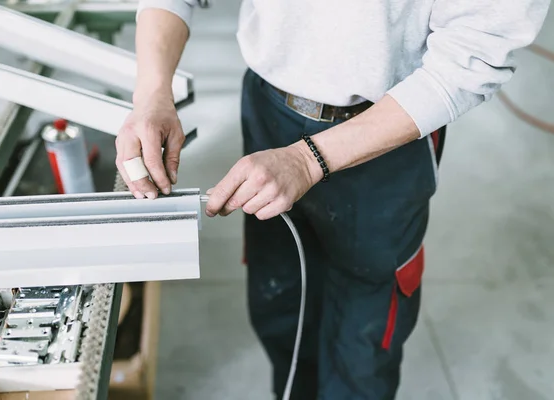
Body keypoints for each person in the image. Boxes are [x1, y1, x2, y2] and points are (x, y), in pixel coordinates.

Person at [116, 1, 550, 398]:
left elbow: (472, 55)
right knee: (281, 294)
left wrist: (307, 163)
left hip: (388, 126)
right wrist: (153, 93)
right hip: (270, 105)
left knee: (365, 331)